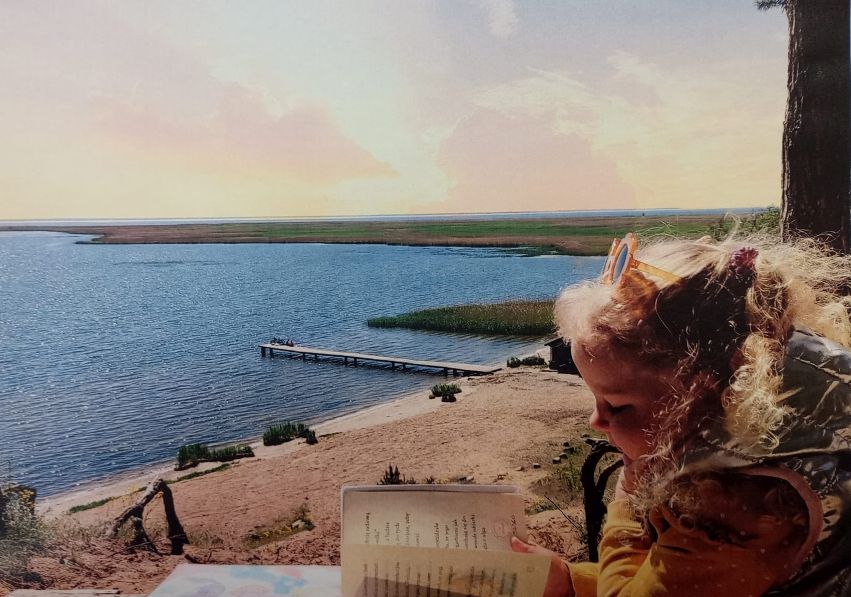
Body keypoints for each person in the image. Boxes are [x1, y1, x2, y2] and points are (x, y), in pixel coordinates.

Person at [511, 232, 851, 596]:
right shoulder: (784, 430)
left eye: (617, 405)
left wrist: (626, 506)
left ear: (694, 398)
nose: (597, 422)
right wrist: (571, 580)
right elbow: (678, 581)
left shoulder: (736, 507)